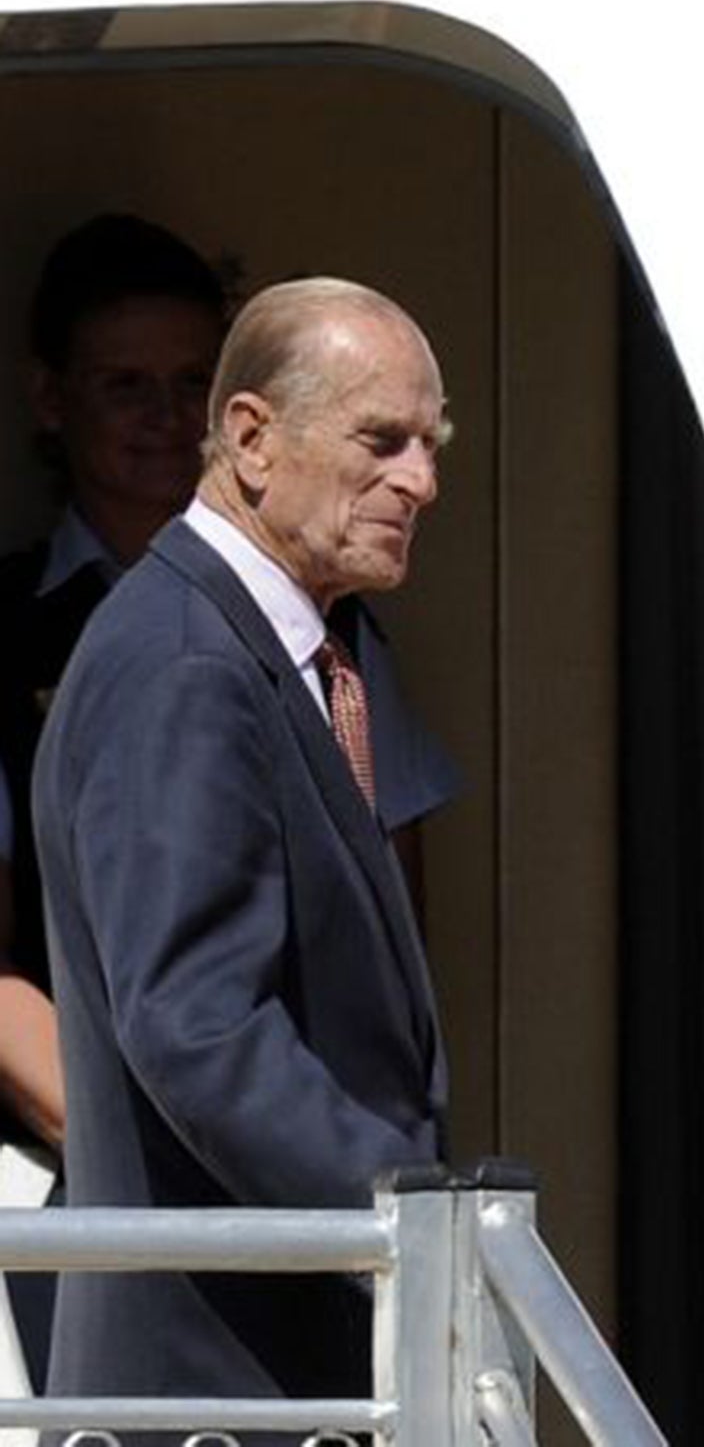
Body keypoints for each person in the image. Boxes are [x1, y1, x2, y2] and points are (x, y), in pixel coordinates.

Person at [0, 217, 457, 1388]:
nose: (423, 479)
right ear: (252, 438)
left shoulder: (273, 641)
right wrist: (414, 1219)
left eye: (430, 443)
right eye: (383, 440)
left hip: (277, 1336)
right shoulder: (185, 663)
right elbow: (195, 1028)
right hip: (218, 1362)